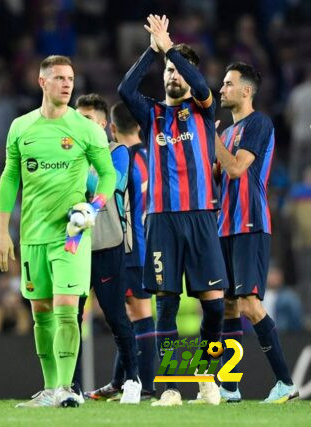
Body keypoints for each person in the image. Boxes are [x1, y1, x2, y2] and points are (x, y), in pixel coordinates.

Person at [0, 55, 116, 408]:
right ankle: (51, 390)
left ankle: (66, 388)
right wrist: (2, 231)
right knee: (41, 314)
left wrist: (93, 206)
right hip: (32, 236)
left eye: (71, 78)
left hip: (71, 235)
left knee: (66, 308)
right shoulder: (21, 127)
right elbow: (10, 178)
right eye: (60, 78)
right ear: (42, 82)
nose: (67, 84)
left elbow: (107, 174)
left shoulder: (86, 129)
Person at [118, 15, 227, 406]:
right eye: (166, 70)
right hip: (162, 220)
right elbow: (124, 87)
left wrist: (173, 51)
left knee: (213, 306)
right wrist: (154, 49)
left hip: (200, 216)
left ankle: (206, 377)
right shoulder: (152, 115)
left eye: (176, 70)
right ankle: (168, 387)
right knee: (166, 304)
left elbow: (198, 84)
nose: (171, 76)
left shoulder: (203, 109)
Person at [216, 62, 299, 403]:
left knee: (250, 304)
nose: (221, 89)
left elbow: (236, 168)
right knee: (230, 307)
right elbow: (218, 173)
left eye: (227, 83)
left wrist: (210, 139)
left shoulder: (259, 123)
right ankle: (229, 386)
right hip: (224, 227)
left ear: (246, 90)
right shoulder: (225, 134)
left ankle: (285, 382)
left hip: (249, 223)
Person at [71, 94, 141, 404]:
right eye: (76, 119)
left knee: (116, 317)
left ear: (103, 125)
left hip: (108, 244)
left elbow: (110, 185)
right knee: (69, 317)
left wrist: (73, 170)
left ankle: (133, 380)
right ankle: (69, 385)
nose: (78, 125)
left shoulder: (118, 152)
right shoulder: (68, 154)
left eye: (85, 119)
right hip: (73, 245)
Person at [83, 101, 156, 402]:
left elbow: (120, 193)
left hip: (130, 244)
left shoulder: (128, 157)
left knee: (138, 312)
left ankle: (145, 385)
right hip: (138, 242)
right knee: (123, 314)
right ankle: (120, 381)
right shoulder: (151, 156)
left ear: (110, 127)